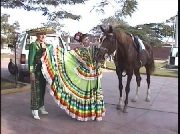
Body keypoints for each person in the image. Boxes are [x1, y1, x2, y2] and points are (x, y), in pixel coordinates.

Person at [41, 32, 105, 121]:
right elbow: (67, 56)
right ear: (81, 42)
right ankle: (84, 114)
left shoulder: (95, 49)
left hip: (95, 76)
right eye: (85, 40)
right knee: (85, 95)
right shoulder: (78, 51)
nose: (87, 41)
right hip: (85, 77)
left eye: (88, 39)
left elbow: (102, 55)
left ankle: (94, 113)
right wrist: (53, 48)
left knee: (94, 94)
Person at [28, 30, 49, 120]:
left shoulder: (46, 45)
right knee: (35, 91)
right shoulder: (33, 45)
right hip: (36, 71)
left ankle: (41, 106)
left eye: (44, 34)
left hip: (43, 71)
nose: (43, 36)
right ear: (37, 35)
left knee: (42, 90)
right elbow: (30, 59)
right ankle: (35, 110)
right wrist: (31, 72)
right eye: (41, 34)